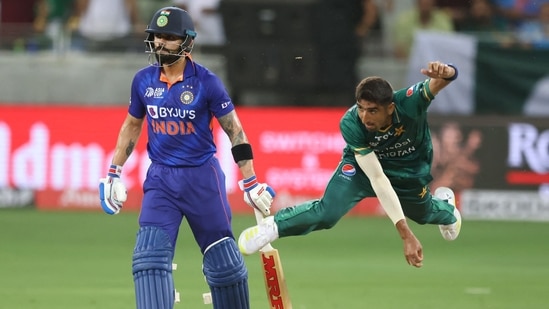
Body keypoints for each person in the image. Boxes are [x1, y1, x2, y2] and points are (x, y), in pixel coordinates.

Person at [98, 6, 275, 309]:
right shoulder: (143, 81)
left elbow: (236, 132)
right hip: (161, 180)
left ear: (187, 42)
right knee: (149, 259)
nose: (161, 43)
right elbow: (132, 125)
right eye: (157, 36)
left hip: (201, 179)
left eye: (170, 37)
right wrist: (113, 171)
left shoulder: (207, 82)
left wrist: (251, 182)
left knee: (224, 266)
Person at [239, 61, 463, 269]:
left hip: (409, 171)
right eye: (361, 108)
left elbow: (442, 80)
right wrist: (405, 234)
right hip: (365, 170)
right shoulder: (351, 122)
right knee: (327, 213)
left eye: (373, 110)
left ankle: (448, 209)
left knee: (423, 215)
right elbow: (377, 178)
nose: (365, 117)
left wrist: (449, 71)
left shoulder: (409, 102)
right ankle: (271, 228)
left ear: (390, 108)